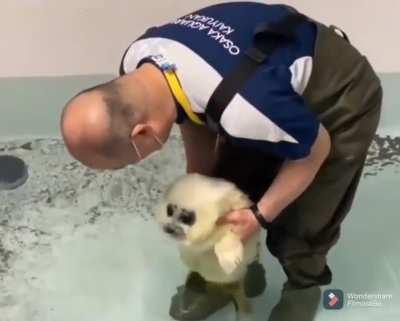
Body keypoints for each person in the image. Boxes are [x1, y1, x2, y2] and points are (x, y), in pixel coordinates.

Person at [60, 2, 382, 321]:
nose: (133, 164)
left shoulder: (244, 108)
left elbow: (316, 149)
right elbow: (185, 108)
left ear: (143, 133)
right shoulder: (137, 62)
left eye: (128, 162)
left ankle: (303, 286)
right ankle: (227, 277)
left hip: (339, 93)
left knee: (305, 215)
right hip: (262, 80)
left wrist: (260, 216)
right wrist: (200, 180)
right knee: (225, 188)